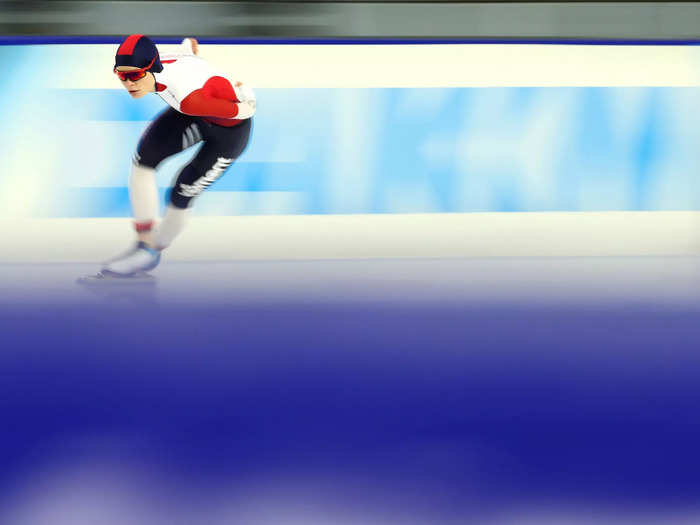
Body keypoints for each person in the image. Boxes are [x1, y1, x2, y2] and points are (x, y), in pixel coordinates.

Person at [102, 34, 255, 277]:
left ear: (151, 68)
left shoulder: (188, 100)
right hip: (197, 113)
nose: (128, 83)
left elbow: (245, 111)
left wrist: (244, 93)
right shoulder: (160, 65)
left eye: (135, 75)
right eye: (121, 75)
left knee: (182, 191)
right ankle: (143, 243)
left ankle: (152, 251)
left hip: (229, 132)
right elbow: (186, 51)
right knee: (142, 162)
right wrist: (189, 46)